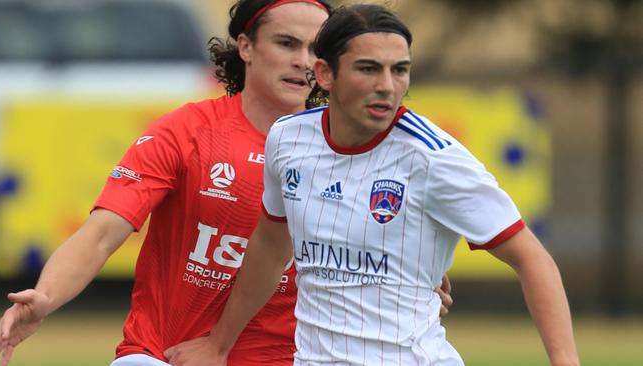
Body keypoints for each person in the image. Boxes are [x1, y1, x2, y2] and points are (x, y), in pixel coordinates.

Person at [0, 1, 452, 366]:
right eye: (286, 43)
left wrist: (417, 279)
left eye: (316, 49)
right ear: (246, 47)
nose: (302, 62)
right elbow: (98, 236)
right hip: (164, 355)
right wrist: (45, 297)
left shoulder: (356, 146)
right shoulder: (185, 131)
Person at [196, 4, 581, 366]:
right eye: (368, 69)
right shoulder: (288, 139)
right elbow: (270, 244)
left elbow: (533, 260)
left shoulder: (435, 159)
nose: (387, 85)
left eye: (399, 70)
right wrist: (218, 345)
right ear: (325, 74)